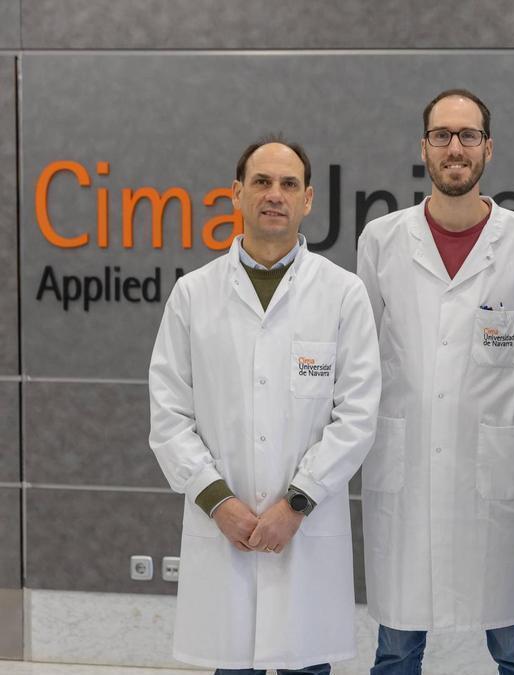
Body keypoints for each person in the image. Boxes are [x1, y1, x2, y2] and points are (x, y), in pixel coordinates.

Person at [148, 136, 381, 674]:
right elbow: (168, 415)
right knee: (233, 664)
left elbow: (358, 415)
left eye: (288, 184)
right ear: (236, 193)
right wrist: (217, 502)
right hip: (222, 528)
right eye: (261, 182)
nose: (274, 195)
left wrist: (296, 504)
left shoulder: (342, 294)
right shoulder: (194, 294)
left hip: (305, 530)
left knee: (306, 661)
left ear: (308, 199)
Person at [356, 88, 514, 675]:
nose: (455, 148)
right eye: (442, 135)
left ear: (488, 149)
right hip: (407, 466)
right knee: (396, 647)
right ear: (425, 148)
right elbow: (360, 360)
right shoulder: (382, 240)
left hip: (496, 468)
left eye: (468, 136)